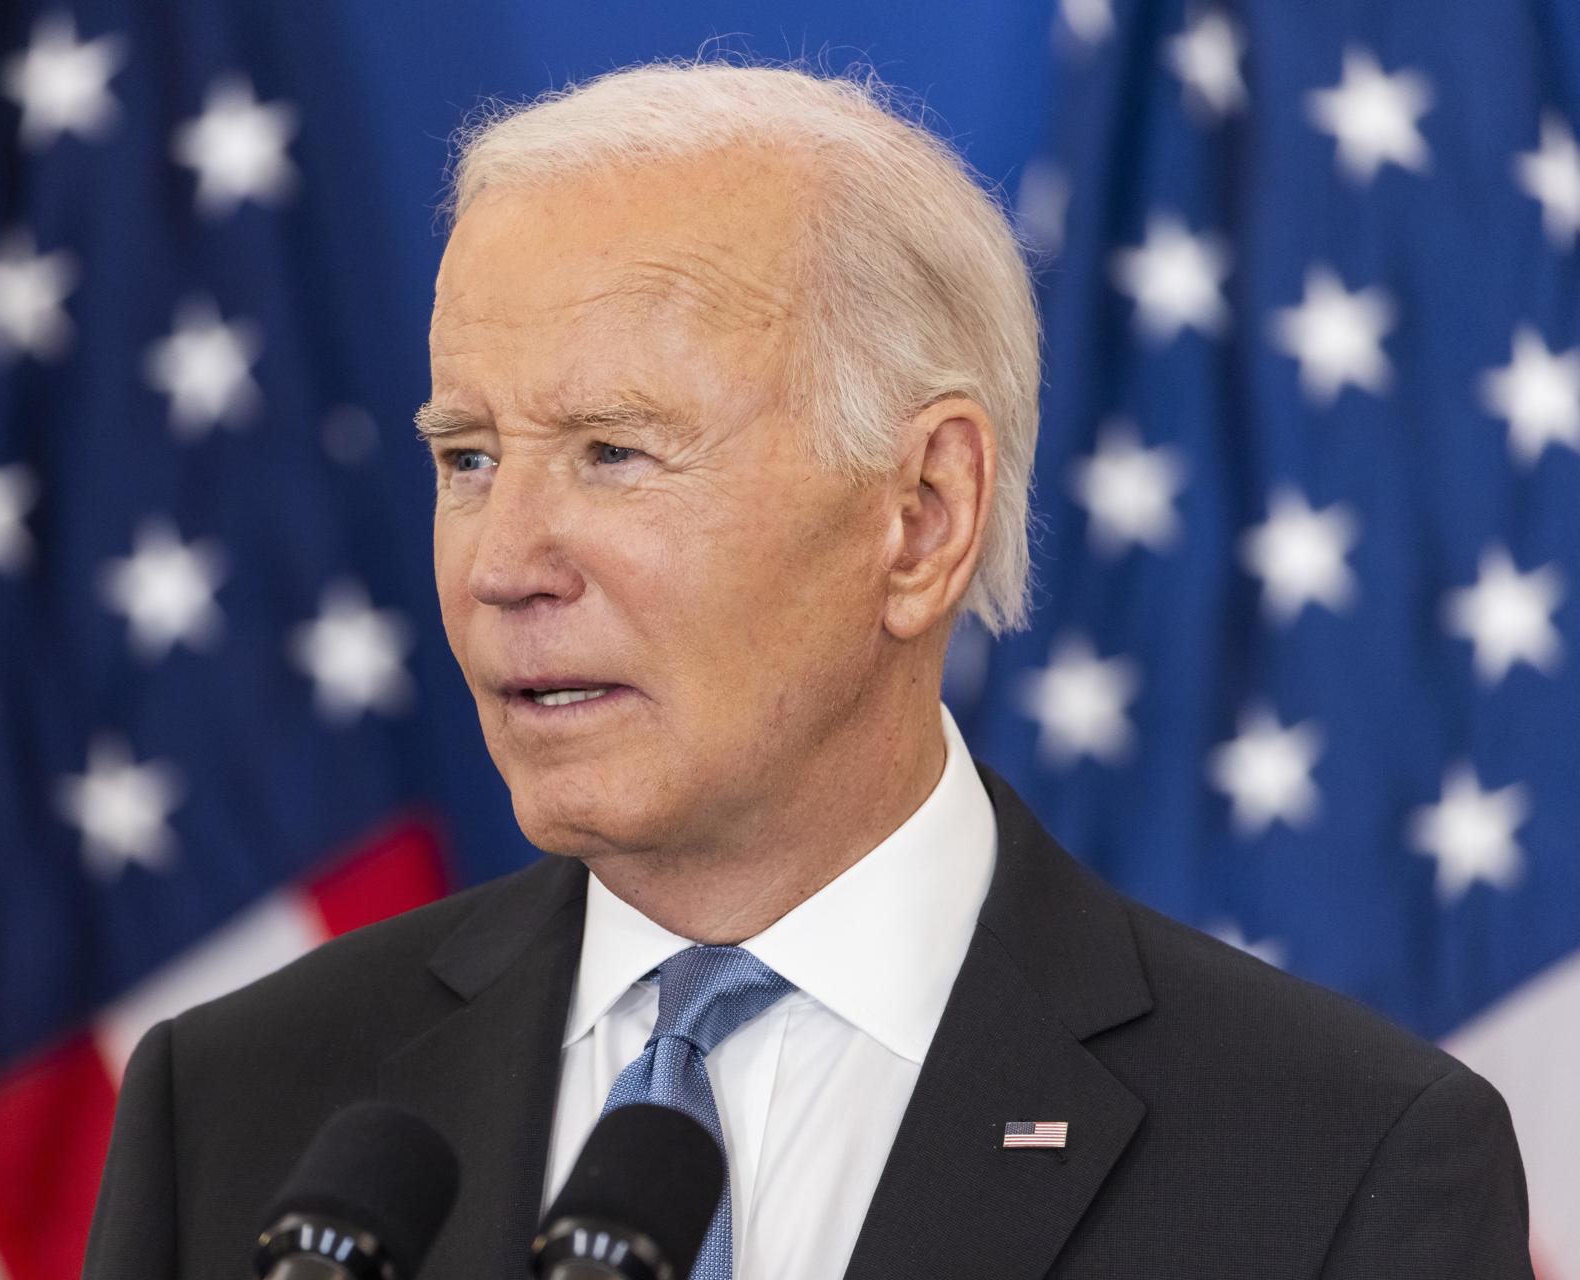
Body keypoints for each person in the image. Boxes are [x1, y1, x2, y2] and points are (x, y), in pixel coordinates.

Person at [83, 61, 1532, 1280]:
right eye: (467, 458)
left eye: (614, 453)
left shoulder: (1343, 1166)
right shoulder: (238, 1109)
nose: (502, 561)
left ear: (921, 518)